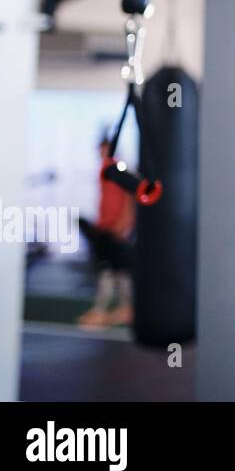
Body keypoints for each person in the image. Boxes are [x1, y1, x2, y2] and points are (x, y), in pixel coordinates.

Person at [76, 135, 136, 328]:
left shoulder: (118, 169)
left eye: (105, 149)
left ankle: (122, 308)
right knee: (110, 270)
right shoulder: (104, 170)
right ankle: (109, 309)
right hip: (105, 228)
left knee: (118, 269)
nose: (102, 152)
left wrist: (124, 223)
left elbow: (129, 196)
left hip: (115, 228)